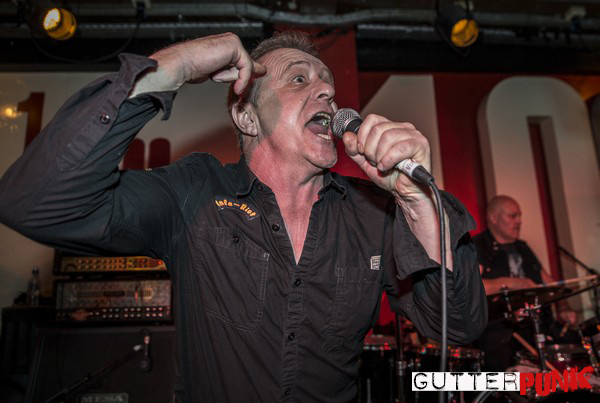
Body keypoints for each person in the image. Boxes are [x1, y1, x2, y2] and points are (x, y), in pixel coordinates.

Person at [0, 31, 486, 402]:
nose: (327, 93)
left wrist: (419, 202)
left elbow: (460, 326)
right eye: (299, 79)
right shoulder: (194, 192)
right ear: (247, 117)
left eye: (328, 85)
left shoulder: (372, 213)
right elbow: (34, 203)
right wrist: (173, 66)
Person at [473, 195, 577, 371]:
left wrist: (564, 306)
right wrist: (513, 283)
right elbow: (472, 287)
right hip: (500, 331)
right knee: (497, 358)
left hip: (537, 326)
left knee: (575, 343)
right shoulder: (478, 246)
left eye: (519, 216)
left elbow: (549, 283)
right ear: (493, 218)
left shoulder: (523, 247)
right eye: (512, 216)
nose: (519, 221)